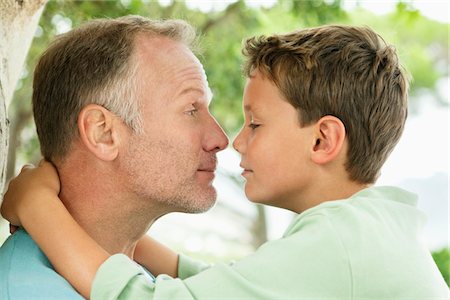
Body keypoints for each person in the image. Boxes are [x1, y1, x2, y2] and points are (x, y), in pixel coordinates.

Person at [3, 24, 449, 299]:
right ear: (103, 131)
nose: (227, 140)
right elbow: (222, 285)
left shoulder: (341, 239)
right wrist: (117, 234)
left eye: (255, 125)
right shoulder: (371, 229)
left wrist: (40, 206)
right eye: (191, 109)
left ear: (322, 140)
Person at [0, 15, 228, 299]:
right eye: (191, 110)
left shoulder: (146, 280)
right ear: (103, 132)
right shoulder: (29, 291)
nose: (220, 140)